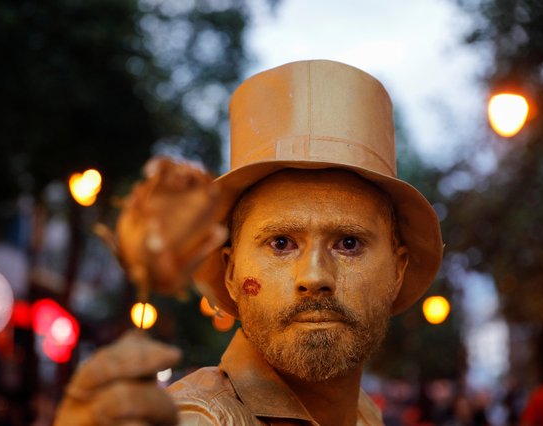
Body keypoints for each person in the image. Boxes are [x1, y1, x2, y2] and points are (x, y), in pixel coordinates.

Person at [54, 60, 443, 425]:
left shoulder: (364, 415)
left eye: (349, 243)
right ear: (231, 271)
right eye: (280, 243)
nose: (314, 276)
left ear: (398, 269)